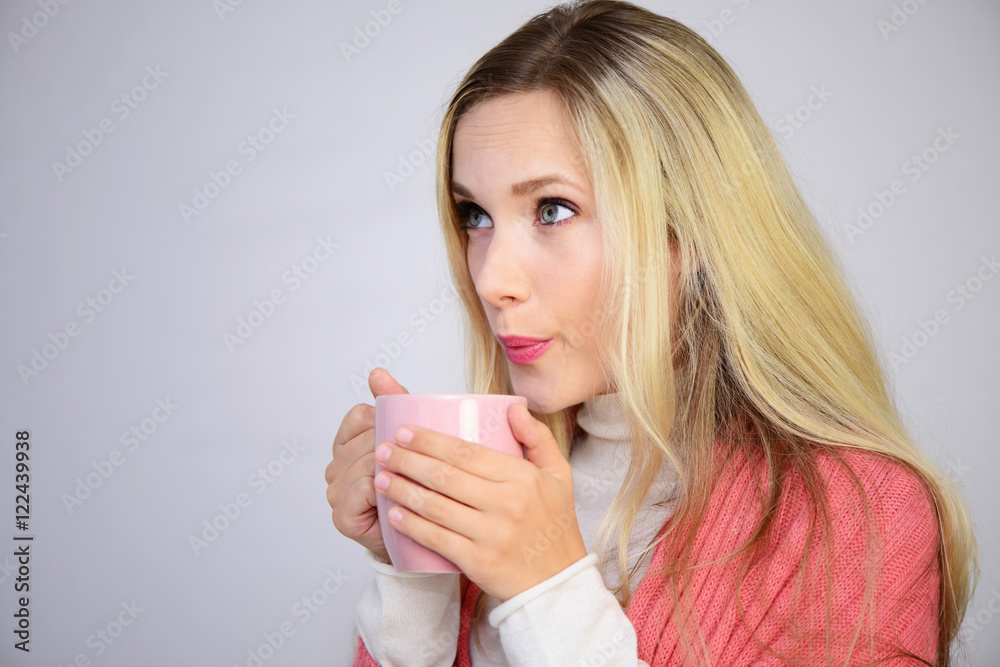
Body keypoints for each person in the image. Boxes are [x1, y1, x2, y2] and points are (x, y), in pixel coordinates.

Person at [325, 1, 979, 664]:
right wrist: (411, 569)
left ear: (688, 231)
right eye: (475, 215)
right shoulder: (494, 491)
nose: (492, 279)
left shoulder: (859, 513)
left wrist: (546, 592)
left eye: (552, 209)